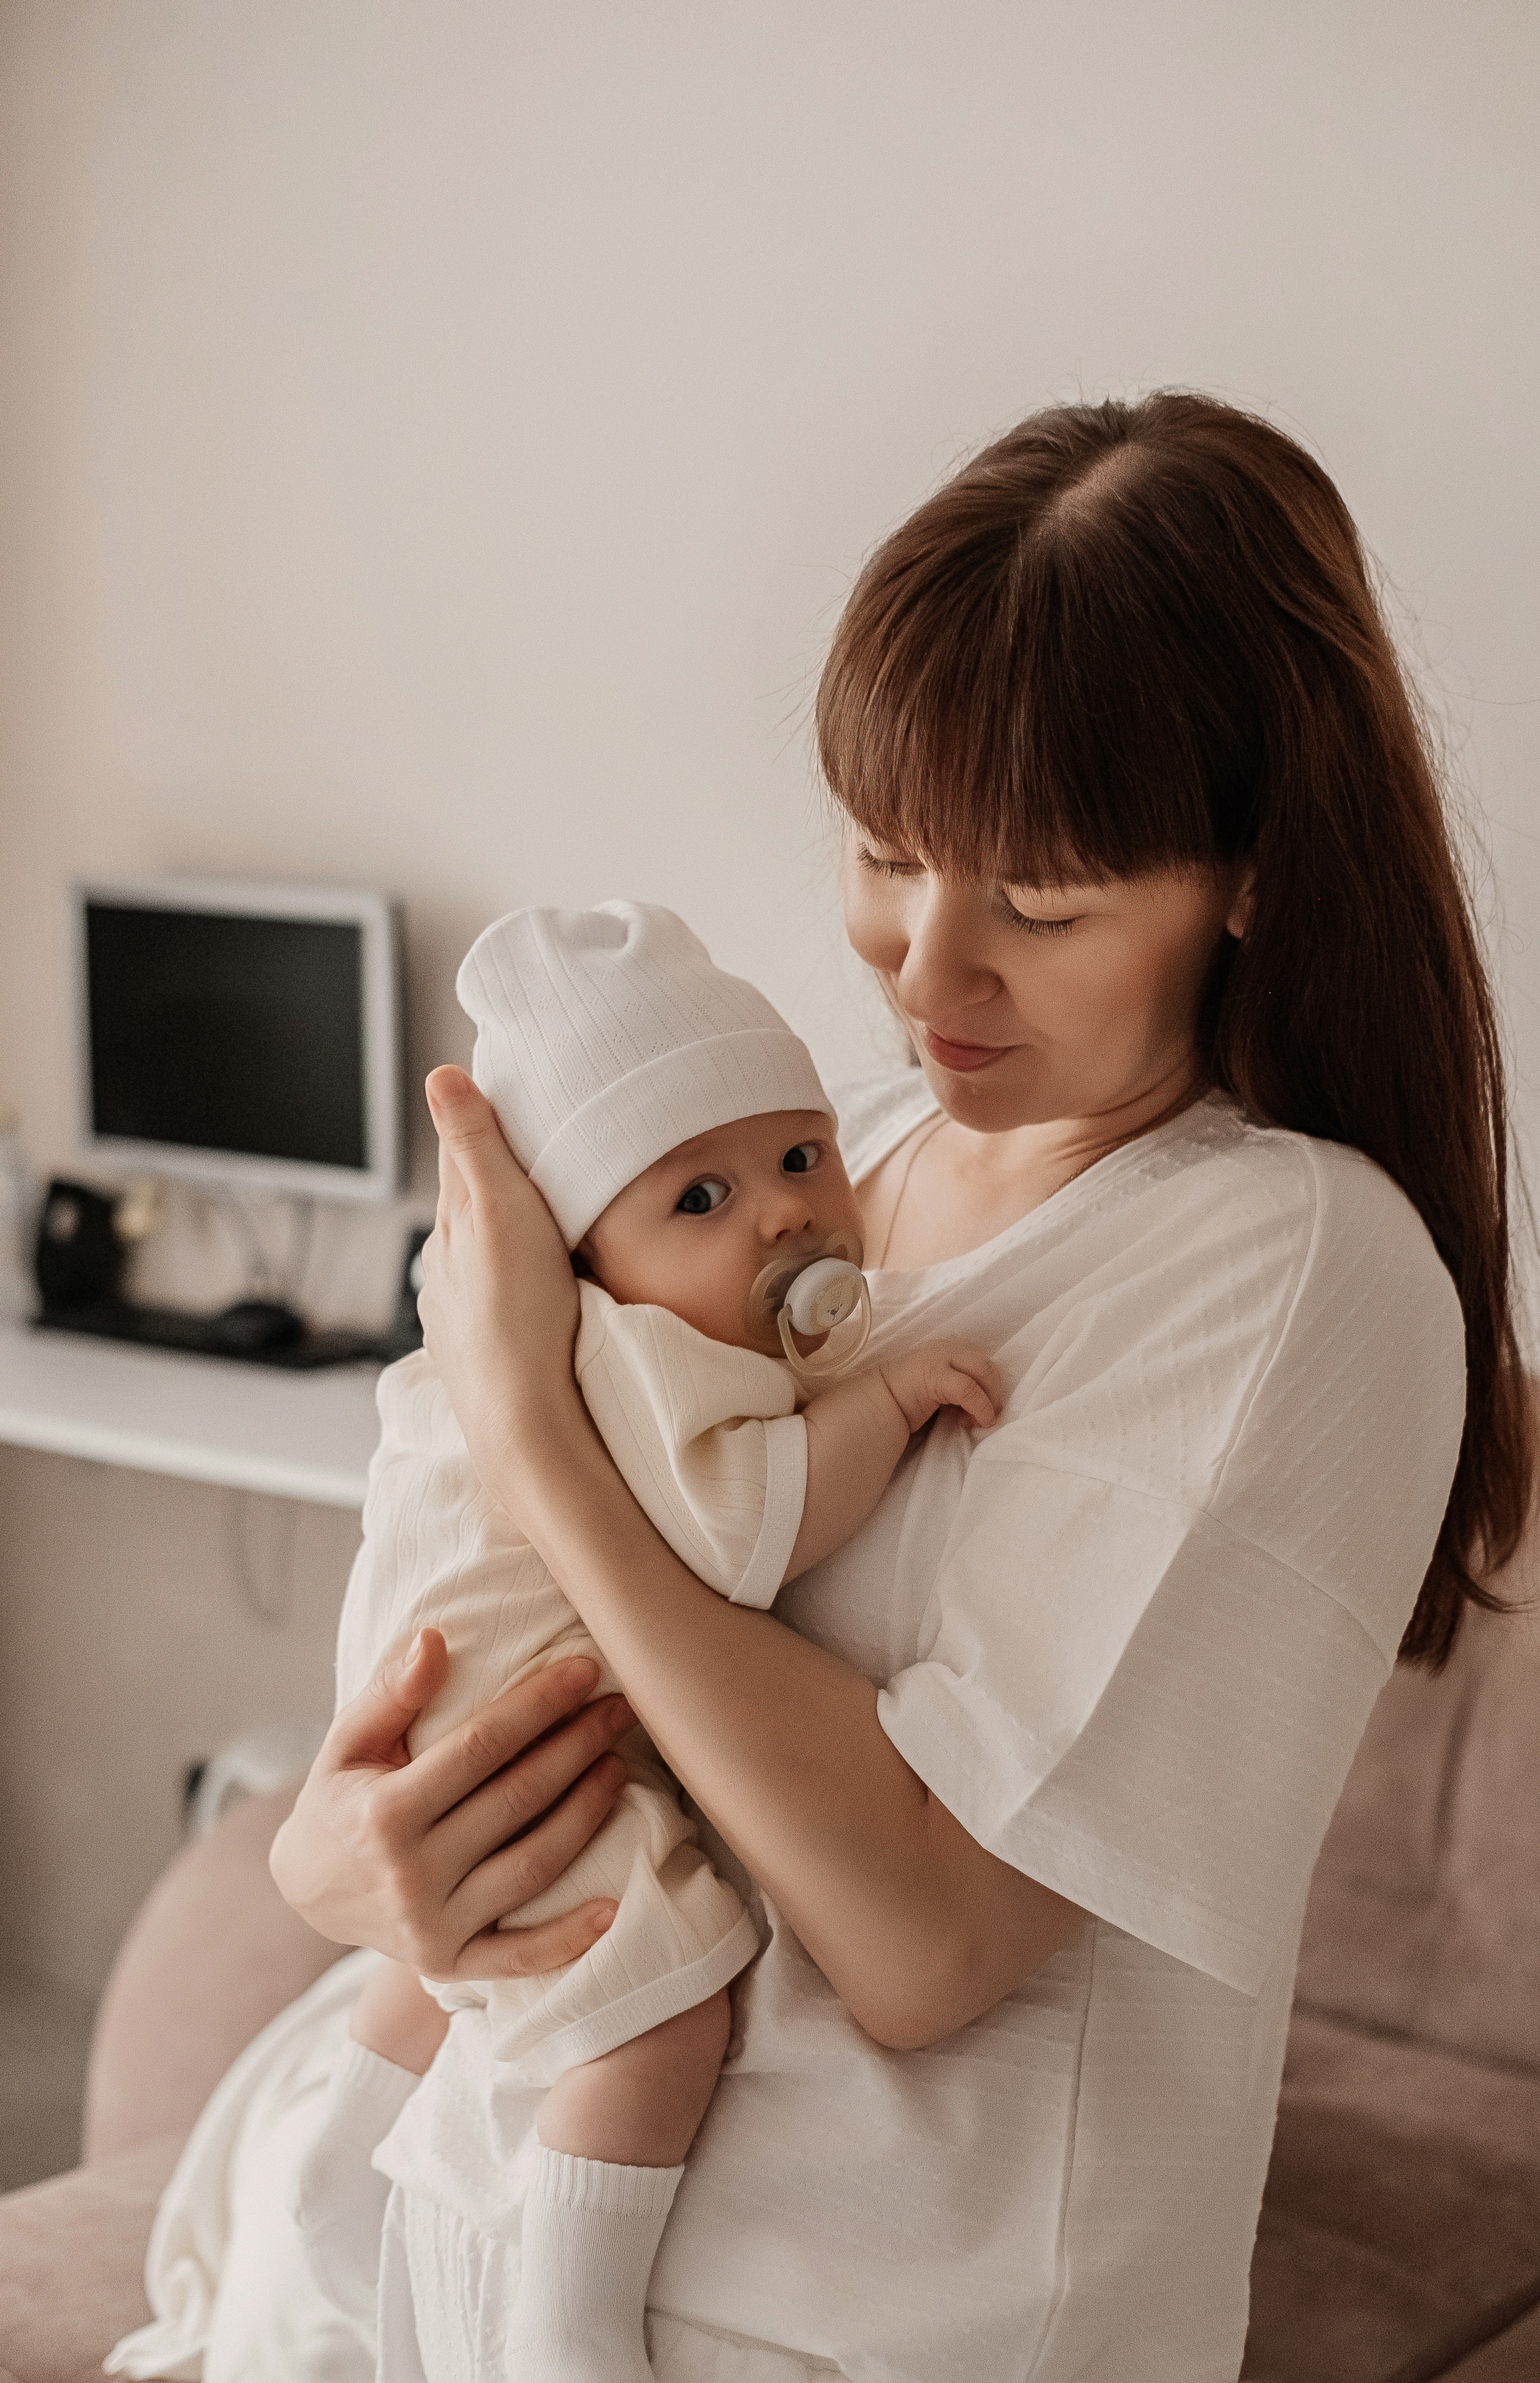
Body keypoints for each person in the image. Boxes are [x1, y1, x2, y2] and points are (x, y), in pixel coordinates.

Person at [262, 388, 1530, 2382]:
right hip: (493, 2254)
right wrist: (342, 1867)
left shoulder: (1290, 1260)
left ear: (1254, 873)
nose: (925, 979)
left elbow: (928, 1941)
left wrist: (536, 1427)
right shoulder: (826, 1160)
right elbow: (489, 1627)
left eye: (1036, 904)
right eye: (886, 859)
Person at [295, 897, 1002, 2383]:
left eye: (801, 1156)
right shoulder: (635, 1360)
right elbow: (747, 1527)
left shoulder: (522, 1357)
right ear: (578, 1261)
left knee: (447, 1962)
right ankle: (567, 2322)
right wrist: (876, 1404)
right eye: (696, 1200)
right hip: (531, 1735)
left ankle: (331, 2158)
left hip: (428, 1721)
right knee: (659, 2015)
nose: (784, 1213)